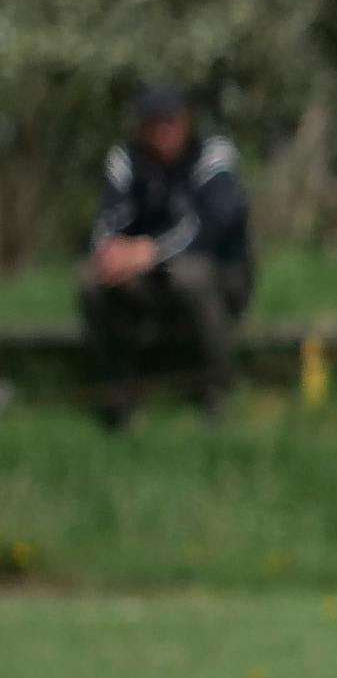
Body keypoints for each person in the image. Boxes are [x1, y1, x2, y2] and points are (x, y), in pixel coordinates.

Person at [81, 81, 251, 428]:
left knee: (190, 275)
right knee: (90, 280)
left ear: (187, 120)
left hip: (220, 276)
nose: (162, 129)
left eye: (170, 120)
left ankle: (216, 391)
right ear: (140, 125)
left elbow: (213, 226)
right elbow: (105, 222)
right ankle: (119, 396)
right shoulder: (125, 159)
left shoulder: (214, 154)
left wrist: (150, 252)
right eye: (152, 121)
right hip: (151, 277)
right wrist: (112, 255)